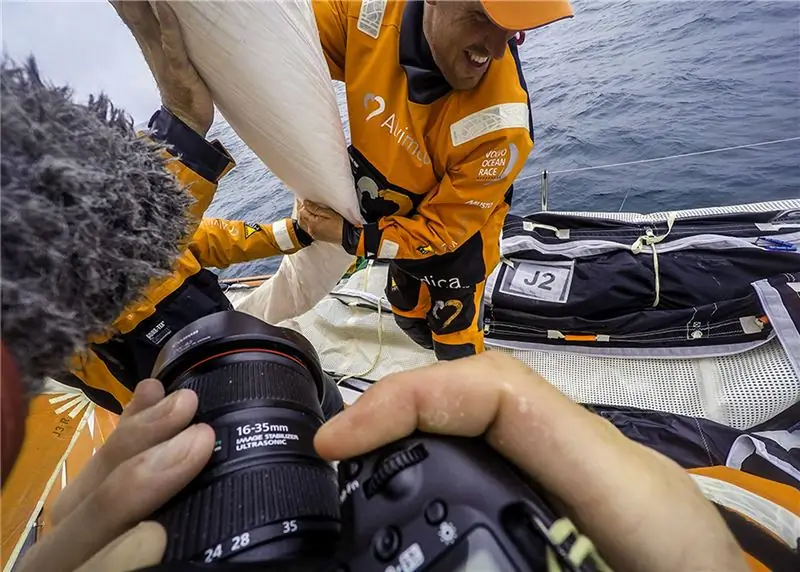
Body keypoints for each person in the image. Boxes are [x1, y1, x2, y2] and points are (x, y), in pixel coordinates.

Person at [295, 0, 574, 361]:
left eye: (513, 32)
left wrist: (352, 237)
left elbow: (442, 232)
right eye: (482, 18)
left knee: (455, 343)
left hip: (459, 252)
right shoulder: (364, 11)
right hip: (392, 230)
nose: (496, 50)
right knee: (405, 310)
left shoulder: (503, 128)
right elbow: (274, 37)